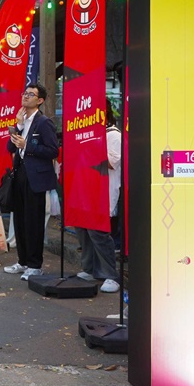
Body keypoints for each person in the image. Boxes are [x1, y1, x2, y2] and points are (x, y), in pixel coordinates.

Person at [2, 82, 60, 280]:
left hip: (36, 177)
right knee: (19, 220)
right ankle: (23, 261)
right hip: (19, 174)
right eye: (25, 93)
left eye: (31, 94)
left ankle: (35, 265)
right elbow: (10, 148)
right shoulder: (22, 121)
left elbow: (53, 150)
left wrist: (27, 146)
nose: (25, 96)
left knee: (33, 221)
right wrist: (18, 127)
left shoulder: (43, 122)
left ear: (40, 100)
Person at [76, 99, 122, 293]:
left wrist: (89, 148)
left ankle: (111, 275)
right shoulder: (88, 134)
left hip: (103, 190)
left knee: (99, 232)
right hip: (85, 188)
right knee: (83, 228)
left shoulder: (113, 135)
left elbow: (111, 163)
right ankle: (90, 268)